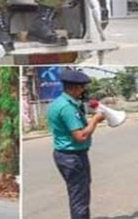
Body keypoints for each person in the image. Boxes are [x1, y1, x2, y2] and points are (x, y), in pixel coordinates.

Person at [47, 70, 105, 219]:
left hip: (67, 155)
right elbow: (81, 136)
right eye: (81, 87)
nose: (83, 90)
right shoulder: (67, 108)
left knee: (78, 192)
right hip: (72, 157)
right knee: (79, 195)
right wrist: (95, 120)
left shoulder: (58, 102)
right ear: (73, 88)